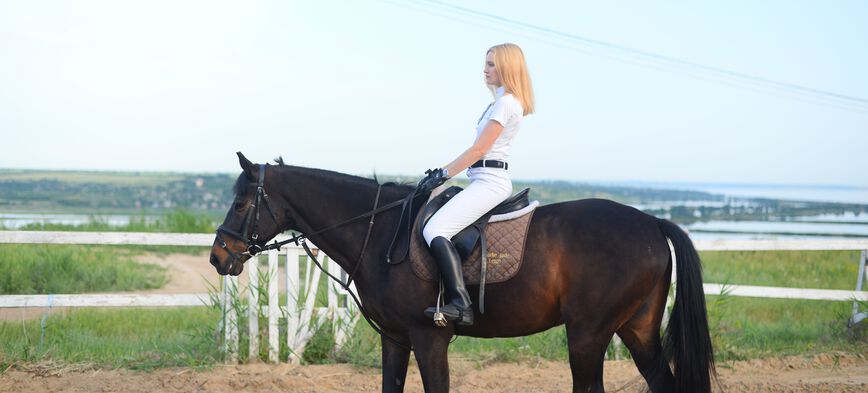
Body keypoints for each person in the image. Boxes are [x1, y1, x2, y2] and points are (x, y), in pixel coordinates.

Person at [418, 43, 535, 326]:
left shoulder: (507, 103)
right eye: (486, 63)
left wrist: (443, 174)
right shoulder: (498, 102)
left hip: (490, 182)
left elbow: (478, 150)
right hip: (480, 179)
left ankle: (460, 304)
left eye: (492, 64)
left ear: (508, 67)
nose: (485, 69)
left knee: (435, 228)